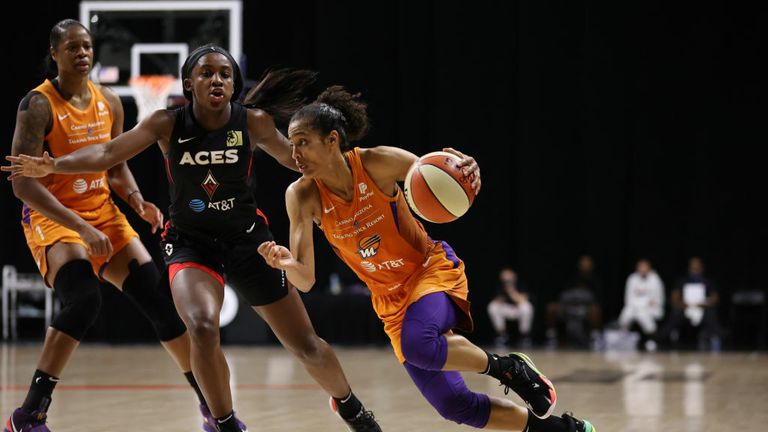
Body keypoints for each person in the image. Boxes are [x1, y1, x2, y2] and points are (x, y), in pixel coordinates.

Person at [4, 43, 381, 432]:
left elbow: (298, 161)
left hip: (249, 240)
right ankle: (224, 422)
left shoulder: (254, 123)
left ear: (234, 85)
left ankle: (351, 407)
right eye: (206, 73)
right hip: (190, 242)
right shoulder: (166, 123)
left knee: (306, 346)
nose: (216, 79)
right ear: (189, 83)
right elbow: (107, 153)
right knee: (201, 326)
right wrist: (54, 164)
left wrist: (352, 164)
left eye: (224, 73)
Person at [256, 86, 595, 431]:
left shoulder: (376, 163)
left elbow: (436, 172)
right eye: (292, 143)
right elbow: (306, 279)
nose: (294, 153)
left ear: (331, 140)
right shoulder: (300, 195)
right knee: (455, 406)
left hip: (430, 272)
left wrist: (466, 169)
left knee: (418, 345)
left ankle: (509, 368)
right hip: (390, 300)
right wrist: (285, 264)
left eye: (302, 142)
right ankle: (567, 430)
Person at [0, 19, 229, 432]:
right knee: (84, 299)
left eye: (86, 46)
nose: (82, 53)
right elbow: (22, 186)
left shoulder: (109, 101)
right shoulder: (36, 106)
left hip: (103, 213)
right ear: (55, 53)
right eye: (72, 47)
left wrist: (139, 202)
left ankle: (211, 408)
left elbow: (116, 165)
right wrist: (82, 229)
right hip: (54, 217)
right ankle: (28, 414)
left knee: (163, 304)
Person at [657, 257, 720, 351]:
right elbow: (674, 298)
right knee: (675, 314)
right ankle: (659, 340)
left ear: (702, 267)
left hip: (702, 308)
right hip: (685, 308)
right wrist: (683, 304)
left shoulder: (708, 281)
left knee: (711, 314)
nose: (695, 268)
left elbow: (715, 298)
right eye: (693, 266)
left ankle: (717, 338)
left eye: (697, 266)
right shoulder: (682, 281)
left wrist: (704, 303)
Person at [545, 255, 603, 349]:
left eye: (587, 263)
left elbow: (597, 299)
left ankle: (594, 337)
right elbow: (563, 294)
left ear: (591, 265)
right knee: (551, 308)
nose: (584, 265)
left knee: (596, 310)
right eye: (582, 263)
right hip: (568, 306)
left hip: (585, 308)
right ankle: (551, 337)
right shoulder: (572, 277)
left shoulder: (595, 280)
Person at [618, 259, 664, 351]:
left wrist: (645, 305)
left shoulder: (655, 279)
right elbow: (628, 298)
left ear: (649, 268)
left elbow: (657, 299)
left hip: (650, 308)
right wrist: (637, 306)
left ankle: (652, 340)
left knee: (644, 317)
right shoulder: (632, 278)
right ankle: (624, 340)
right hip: (634, 307)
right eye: (640, 267)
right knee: (625, 315)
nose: (642, 269)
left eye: (645, 267)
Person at [487, 267, 534, 348]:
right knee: (492, 306)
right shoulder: (500, 285)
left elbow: (522, 299)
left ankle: (524, 336)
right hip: (506, 310)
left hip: (518, 309)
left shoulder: (520, 284)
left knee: (527, 307)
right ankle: (502, 336)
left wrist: (511, 291)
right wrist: (503, 294)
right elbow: (496, 300)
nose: (507, 278)